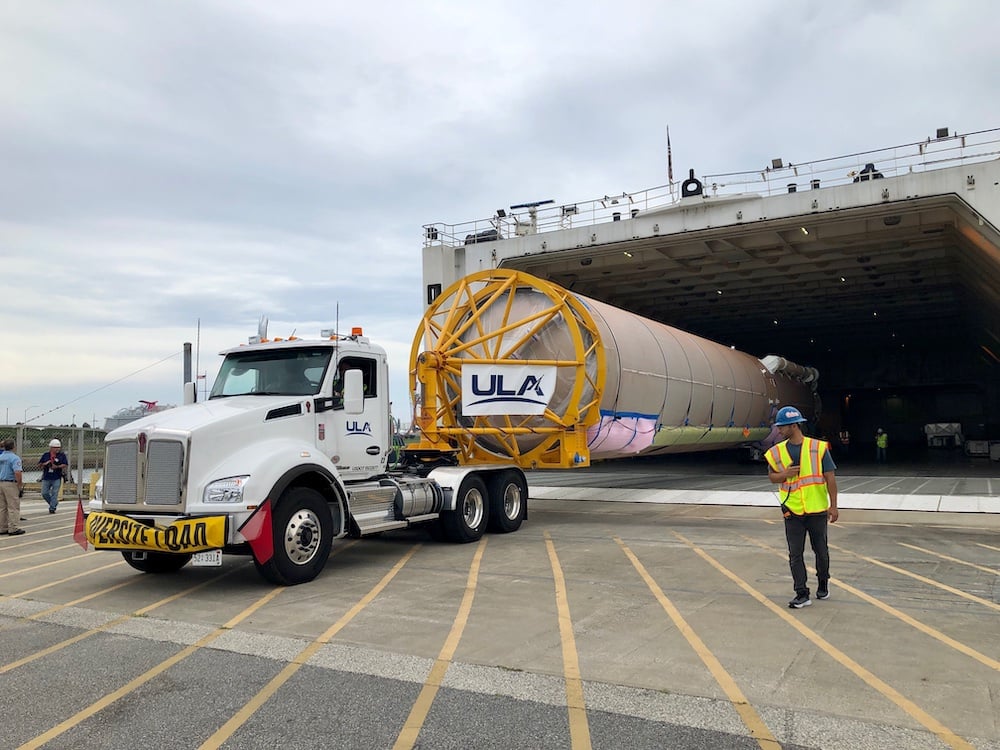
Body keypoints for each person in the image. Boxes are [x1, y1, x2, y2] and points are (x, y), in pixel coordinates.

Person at [765, 406, 839, 609]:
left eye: (782, 426)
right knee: (795, 553)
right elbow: (772, 477)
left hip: (816, 509)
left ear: (794, 425)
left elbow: (830, 478)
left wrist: (834, 506)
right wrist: (785, 475)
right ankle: (801, 593)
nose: (779, 430)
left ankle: (823, 582)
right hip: (792, 509)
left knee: (821, 551)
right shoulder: (777, 451)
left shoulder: (818, 448)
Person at [0, 438, 26, 535]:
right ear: (13, 447)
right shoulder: (15, 458)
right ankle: (13, 528)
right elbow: (17, 472)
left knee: (2, 507)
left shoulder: (1, 457)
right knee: (13, 506)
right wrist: (19, 485)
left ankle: (2, 527)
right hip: (10, 483)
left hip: (1, 482)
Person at [38, 438, 69, 513]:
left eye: (58, 447)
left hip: (56, 477)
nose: (57, 449)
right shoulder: (46, 455)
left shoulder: (62, 455)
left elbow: (65, 464)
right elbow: (39, 464)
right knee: (44, 493)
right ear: (51, 448)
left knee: (55, 493)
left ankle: (52, 508)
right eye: (55, 448)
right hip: (46, 477)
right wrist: (45, 464)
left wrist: (57, 466)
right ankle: (54, 503)